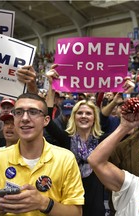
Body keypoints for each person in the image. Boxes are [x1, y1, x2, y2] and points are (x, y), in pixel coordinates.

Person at [0, 93, 84, 215]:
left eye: (33, 112)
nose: (25, 118)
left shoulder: (65, 159)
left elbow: (76, 213)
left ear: (46, 120)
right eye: (18, 112)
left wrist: (43, 203)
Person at [44, 67, 105, 216]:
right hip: (70, 202)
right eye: (80, 112)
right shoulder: (66, 138)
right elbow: (46, 118)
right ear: (74, 117)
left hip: (95, 204)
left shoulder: (103, 140)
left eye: (88, 113)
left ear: (94, 118)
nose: (84, 116)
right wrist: (51, 87)